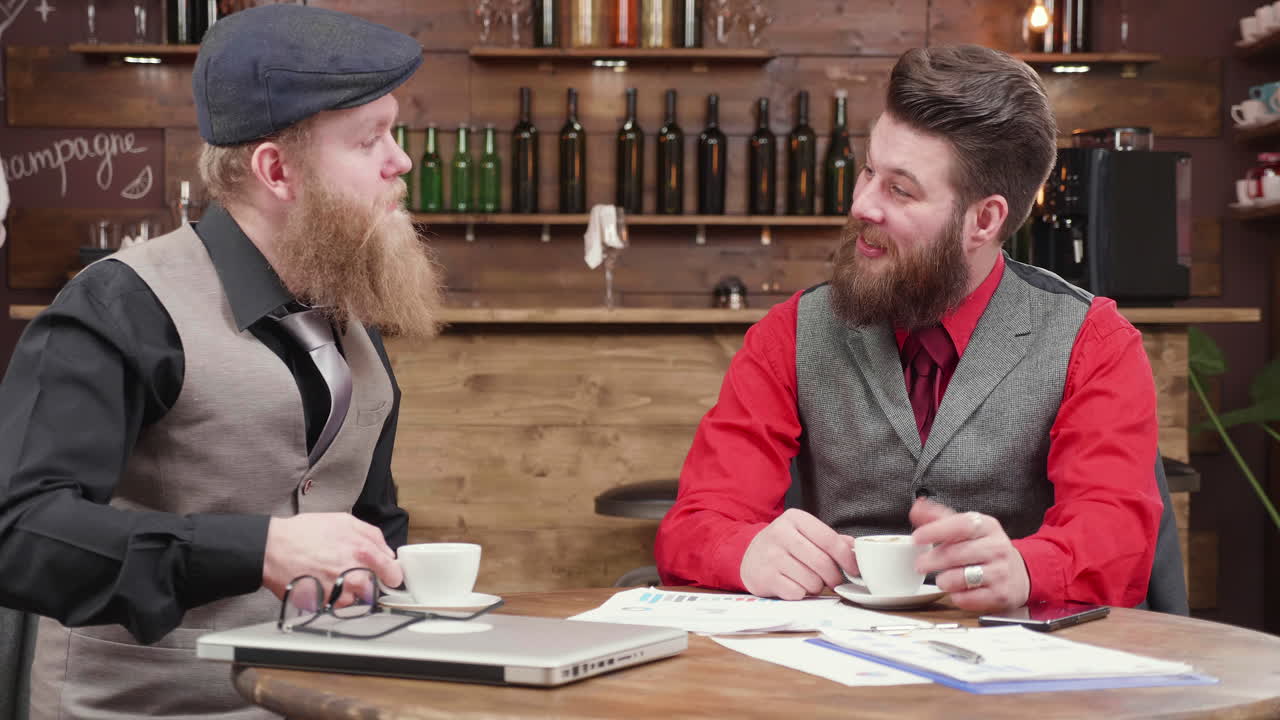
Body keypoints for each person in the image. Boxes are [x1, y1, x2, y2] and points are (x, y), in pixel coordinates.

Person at [0, 5, 443, 718]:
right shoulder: (119, 308)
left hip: (322, 702)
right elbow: (19, 535)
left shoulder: (351, 321)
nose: (402, 161)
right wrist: (256, 549)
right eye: (370, 141)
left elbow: (368, 524)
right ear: (277, 170)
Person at [655, 45, 1162, 613]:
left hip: (1014, 675)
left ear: (984, 220)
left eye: (900, 189)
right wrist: (744, 548)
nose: (862, 205)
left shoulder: (1094, 342)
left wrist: (1025, 567)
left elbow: (1117, 537)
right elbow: (695, 524)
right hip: (831, 675)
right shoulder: (789, 334)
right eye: (868, 170)